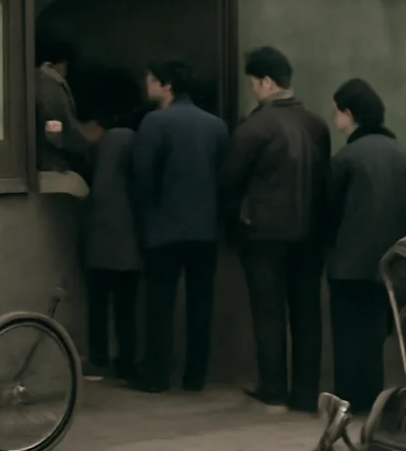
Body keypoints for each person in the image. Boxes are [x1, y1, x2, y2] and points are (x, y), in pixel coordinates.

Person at [220, 47, 330, 413]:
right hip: (311, 235)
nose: (253, 90)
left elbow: (229, 183)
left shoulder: (253, 128)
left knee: (268, 312)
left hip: (263, 235)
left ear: (266, 82)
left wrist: (233, 226)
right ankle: (305, 390)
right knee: (306, 312)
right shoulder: (317, 125)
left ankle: (272, 386)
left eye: (254, 83)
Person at [131, 60, 229, 394]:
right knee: (201, 305)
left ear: (166, 84)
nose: (146, 85)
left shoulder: (155, 123)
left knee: (159, 304)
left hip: (164, 228)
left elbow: (142, 177)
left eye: (150, 79)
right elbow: (223, 177)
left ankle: (157, 375)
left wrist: (145, 214)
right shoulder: (215, 126)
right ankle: (195, 376)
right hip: (205, 229)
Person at [326, 79, 406, 414]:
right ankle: (378, 403)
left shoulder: (347, 157)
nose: (335, 118)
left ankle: (350, 401)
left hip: (349, 264)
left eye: (336, 111)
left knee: (349, 338)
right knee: (377, 337)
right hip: (391, 265)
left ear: (349, 113)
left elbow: (329, 211)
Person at [81, 96, 142, 383]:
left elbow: (101, 189)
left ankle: (99, 358)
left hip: (105, 236)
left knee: (99, 302)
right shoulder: (132, 138)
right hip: (128, 237)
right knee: (126, 306)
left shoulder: (112, 140)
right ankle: (127, 362)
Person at [34, 35, 101, 184]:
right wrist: (86, 139)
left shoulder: (42, 81)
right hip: (52, 163)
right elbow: (55, 126)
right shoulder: (50, 86)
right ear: (63, 63)